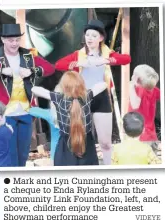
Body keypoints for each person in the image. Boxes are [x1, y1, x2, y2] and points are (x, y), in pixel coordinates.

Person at [0, 23, 55, 166]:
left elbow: (50, 68)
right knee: (9, 155)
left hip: (26, 112)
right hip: (4, 115)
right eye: (11, 40)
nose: (14, 43)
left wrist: (33, 71)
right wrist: (0, 72)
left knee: (23, 154)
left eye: (17, 39)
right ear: (3, 40)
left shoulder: (29, 56)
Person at [55, 19, 131, 165]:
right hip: (82, 98)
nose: (89, 38)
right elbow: (58, 65)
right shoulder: (79, 54)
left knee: (105, 142)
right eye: (87, 35)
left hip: (101, 97)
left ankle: (108, 169)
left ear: (101, 38)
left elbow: (126, 59)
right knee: (82, 138)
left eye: (94, 36)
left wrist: (107, 60)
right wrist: (78, 63)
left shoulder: (107, 53)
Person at [31, 71, 107, 166]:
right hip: (88, 148)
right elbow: (103, 84)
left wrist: (54, 93)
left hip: (64, 150)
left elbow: (34, 89)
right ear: (81, 84)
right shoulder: (86, 96)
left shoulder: (58, 98)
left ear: (64, 87)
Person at [128, 64, 160, 145]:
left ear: (136, 78)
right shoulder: (154, 90)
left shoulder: (138, 89)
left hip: (139, 137)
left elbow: (135, 105)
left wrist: (131, 86)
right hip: (151, 136)